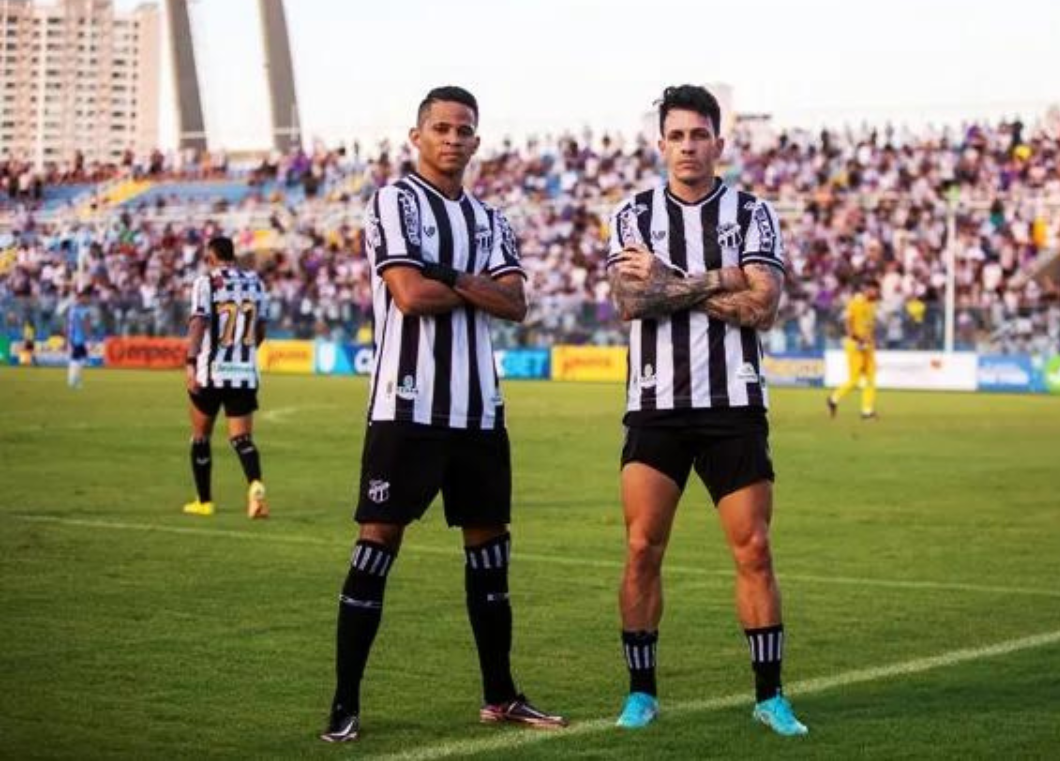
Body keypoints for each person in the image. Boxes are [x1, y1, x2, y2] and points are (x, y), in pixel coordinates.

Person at [320, 86, 567, 743]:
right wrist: (471, 284)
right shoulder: (394, 201)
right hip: (406, 408)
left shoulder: (492, 219)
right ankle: (344, 702)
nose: (453, 139)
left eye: (464, 130)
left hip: (479, 412)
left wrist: (449, 275)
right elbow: (408, 294)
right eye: (441, 128)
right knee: (378, 541)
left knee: (489, 551)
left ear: (477, 141)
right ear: (417, 136)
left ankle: (501, 695)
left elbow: (515, 304)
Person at [605, 84, 807, 737]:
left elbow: (764, 305)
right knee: (641, 548)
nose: (688, 146)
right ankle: (642, 693)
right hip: (655, 409)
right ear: (660, 143)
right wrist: (721, 278)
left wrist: (673, 281)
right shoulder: (632, 214)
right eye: (677, 136)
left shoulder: (753, 213)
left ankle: (770, 696)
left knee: (753, 549)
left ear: (719, 142)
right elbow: (633, 302)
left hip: (734, 406)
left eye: (699, 135)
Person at [182, 236, 269, 518]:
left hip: (211, 373)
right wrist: (247, 350)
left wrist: (191, 361)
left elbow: (198, 322)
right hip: (244, 373)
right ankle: (255, 486)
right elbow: (260, 328)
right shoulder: (256, 282)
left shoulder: (205, 282)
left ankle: (204, 501)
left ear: (211, 255)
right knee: (242, 439)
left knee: (200, 438)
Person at [827, 279, 880, 419]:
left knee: (871, 378)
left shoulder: (872, 304)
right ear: (867, 289)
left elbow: (869, 325)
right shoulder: (856, 302)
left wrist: (871, 340)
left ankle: (867, 411)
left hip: (868, 346)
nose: (876, 292)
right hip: (855, 345)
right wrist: (856, 338)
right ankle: (833, 398)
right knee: (854, 380)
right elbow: (848, 322)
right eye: (874, 289)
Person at [65, 287, 93, 388]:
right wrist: (89, 339)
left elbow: (68, 324)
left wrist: (67, 338)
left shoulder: (72, 309)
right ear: (82, 297)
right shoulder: (84, 310)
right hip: (79, 339)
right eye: (87, 297)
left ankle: (75, 381)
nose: (88, 299)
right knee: (79, 360)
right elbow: (86, 325)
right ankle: (72, 381)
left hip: (73, 338)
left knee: (78, 359)